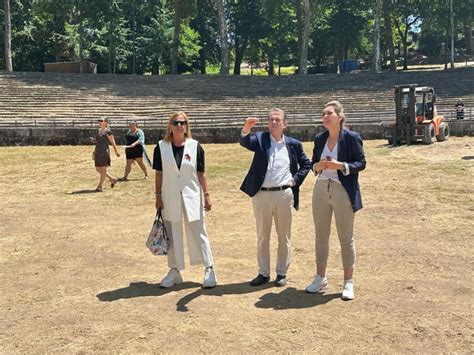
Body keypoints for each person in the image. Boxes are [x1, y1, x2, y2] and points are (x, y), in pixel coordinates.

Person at [239, 108, 311, 287]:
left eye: (277, 119)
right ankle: (263, 273)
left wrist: (295, 180)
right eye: (271, 119)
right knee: (263, 236)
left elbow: (306, 164)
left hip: (283, 195)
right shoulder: (261, 139)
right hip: (261, 194)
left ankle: (281, 272)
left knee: (283, 236)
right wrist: (246, 128)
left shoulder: (293, 144)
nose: (274, 122)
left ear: (284, 124)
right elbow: (246, 141)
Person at [305, 100, 366, 301]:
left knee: (345, 237)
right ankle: (320, 277)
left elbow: (361, 163)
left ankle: (348, 282)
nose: (325, 116)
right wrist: (319, 166)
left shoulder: (351, 138)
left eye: (329, 113)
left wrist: (341, 166)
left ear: (339, 117)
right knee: (320, 235)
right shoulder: (320, 138)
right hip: (321, 188)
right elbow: (312, 165)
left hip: (342, 189)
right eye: (323, 113)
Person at [153, 112, 216, 289]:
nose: (180, 125)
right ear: (170, 126)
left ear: (187, 126)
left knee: (199, 232)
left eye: (183, 122)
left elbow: (201, 173)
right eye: (176, 122)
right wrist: (157, 196)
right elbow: (159, 173)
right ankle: (174, 270)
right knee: (172, 233)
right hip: (169, 196)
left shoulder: (195, 146)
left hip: (192, 196)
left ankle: (209, 269)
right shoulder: (161, 147)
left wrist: (207, 194)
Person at [92, 118, 120, 192]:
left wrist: (116, 151)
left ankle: (100, 186)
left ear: (106, 122)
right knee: (98, 169)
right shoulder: (98, 131)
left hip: (104, 152)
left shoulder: (108, 132)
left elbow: (113, 142)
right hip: (97, 152)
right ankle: (112, 179)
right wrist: (94, 151)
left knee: (103, 169)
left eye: (101, 121)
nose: (99, 122)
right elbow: (98, 142)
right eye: (99, 121)